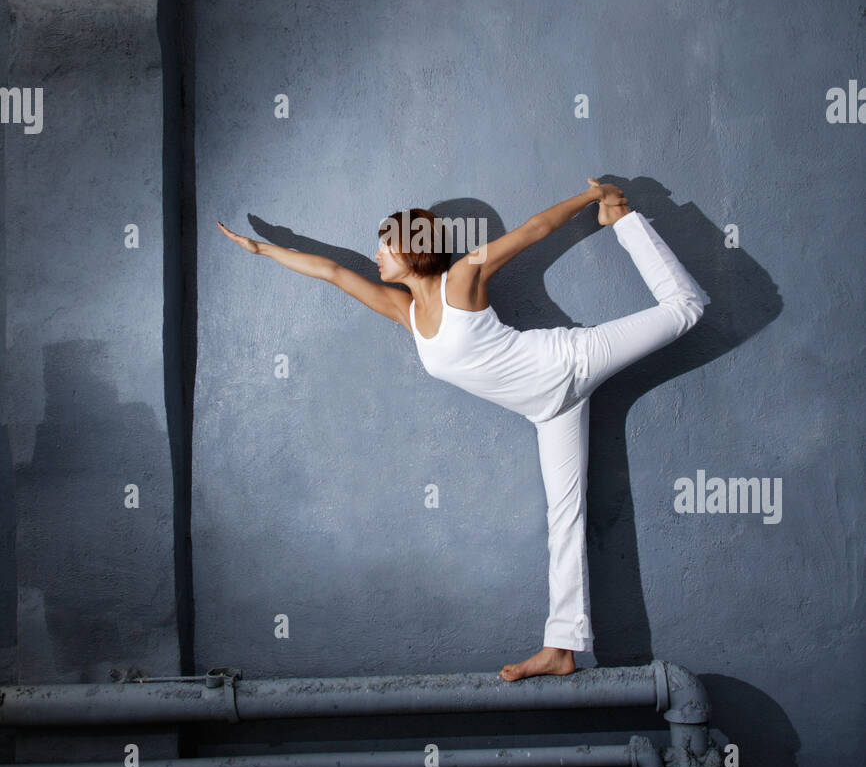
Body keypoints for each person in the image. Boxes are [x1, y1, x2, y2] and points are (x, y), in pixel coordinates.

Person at [218, 178, 706, 681]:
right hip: (548, 412)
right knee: (564, 518)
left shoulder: (461, 280)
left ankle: (623, 220)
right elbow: (335, 272)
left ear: (413, 250)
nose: (377, 255)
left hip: (569, 362)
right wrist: (262, 249)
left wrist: (594, 199)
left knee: (686, 310)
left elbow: (534, 230)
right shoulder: (405, 311)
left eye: (385, 245)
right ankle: (562, 647)